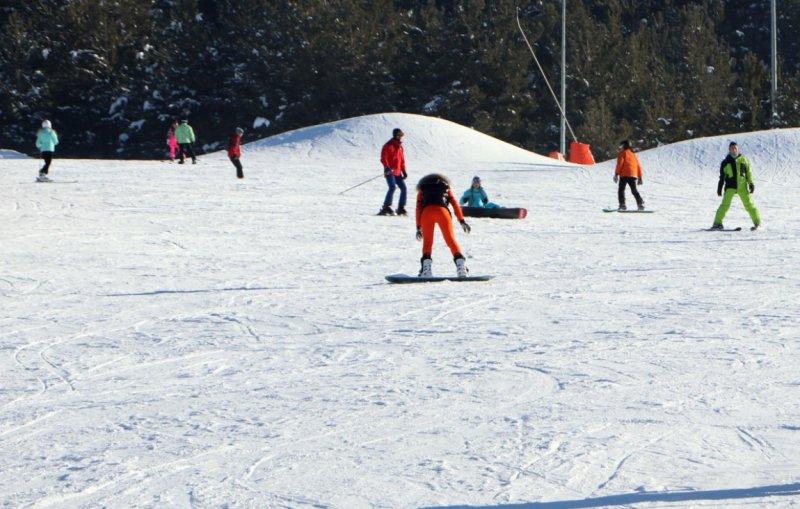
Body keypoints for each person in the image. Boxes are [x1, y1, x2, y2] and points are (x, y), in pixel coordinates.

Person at [415, 173, 472, 277]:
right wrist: (462, 220)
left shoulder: (422, 189)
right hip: (443, 212)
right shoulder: (446, 187)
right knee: (451, 240)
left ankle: (426, 270)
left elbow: (418, 208)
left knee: (427, 242)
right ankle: (461, 268)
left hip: (427, 213)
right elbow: (455, 203)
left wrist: (418, 227)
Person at [712, 141, 761, 230]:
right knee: (724, 205)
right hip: (730, 187)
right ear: (729, 149)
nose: (733, 149)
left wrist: (751, 183)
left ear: (737, 149)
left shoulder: (744, 160)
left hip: (742, 187)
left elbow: (748, 173)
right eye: (732, 148)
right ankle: (717, 223)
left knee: (749, 205)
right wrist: (719, 188)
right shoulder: (725, 162)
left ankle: (758, 223)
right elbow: (722, 177)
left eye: (735, 148)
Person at [379, 128, 407, 216]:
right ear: (395, 135)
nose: (400, 137)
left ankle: (401, 208)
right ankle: (386, 207)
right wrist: (387, 167)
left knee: (404, 188)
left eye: (401, 135)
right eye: (398, 135)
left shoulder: (400, 147)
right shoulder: (388, 145)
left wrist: (404, 171)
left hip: (398, 172)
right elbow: (384, 158)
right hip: (390, 171)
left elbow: (402, 160)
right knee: (392, 187)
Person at [614, 139, 644, 210]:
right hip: (633, 175)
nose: (620, 147)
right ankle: (640, 203)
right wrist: (640, 177)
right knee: (634, 190)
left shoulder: (622, 153)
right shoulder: (633, 155)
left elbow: (620, 164)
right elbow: (638, 166)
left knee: (621, 190)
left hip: (624, 175)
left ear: (624, 146)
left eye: (621, 145)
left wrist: (616, 174)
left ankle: (622, 205)